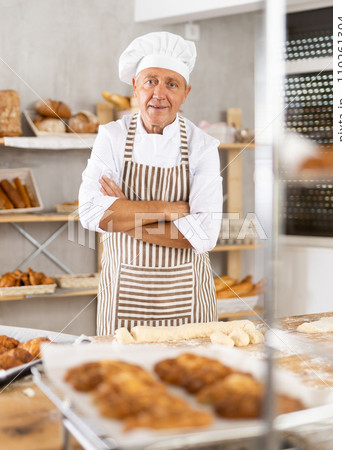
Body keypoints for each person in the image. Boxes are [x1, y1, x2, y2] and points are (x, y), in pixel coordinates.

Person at [79, 31, 223, 335]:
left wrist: (122, 215)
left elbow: (205, 235)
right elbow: (91, 213)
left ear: (186, 92)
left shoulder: (203, 145)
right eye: (150, 81)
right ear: (135, 86)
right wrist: (170, 209)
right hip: (123, 303)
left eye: (172, 84)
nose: (159, 93)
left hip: (189, 304)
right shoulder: (112, 137)